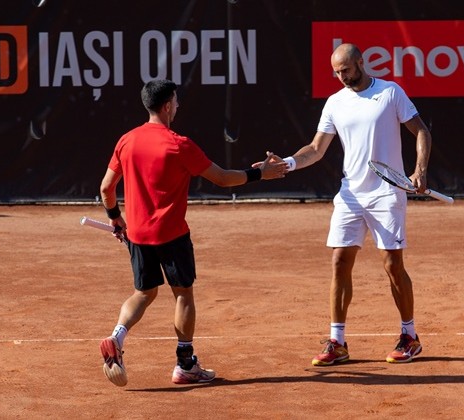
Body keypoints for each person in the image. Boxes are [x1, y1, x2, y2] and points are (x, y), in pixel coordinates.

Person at [98, 79, 287, 386]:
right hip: (172, 235)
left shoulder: (126, 141)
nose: (178, 105)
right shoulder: (179, 144)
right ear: (166, 106)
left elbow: (106, 188)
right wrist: (260, 174)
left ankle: (117, 337)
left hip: (138, 235)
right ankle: (186, 364)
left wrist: (115, 218)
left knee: (143, 293)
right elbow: (224, 179)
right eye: (176, 100)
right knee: (182, 294)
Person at [272, 43, 431, 365]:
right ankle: (337, 342)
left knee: (392, 265)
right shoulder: (335, 102)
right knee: (340, 262)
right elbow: (316, 149)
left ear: (360, 63)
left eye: (345, 70)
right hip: (350, 194)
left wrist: (420, 170)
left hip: (387, 193)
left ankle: (409, 336)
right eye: (336, 72)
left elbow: (421, 132)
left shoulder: (390, 92)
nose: (341, 77)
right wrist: (287, 162)